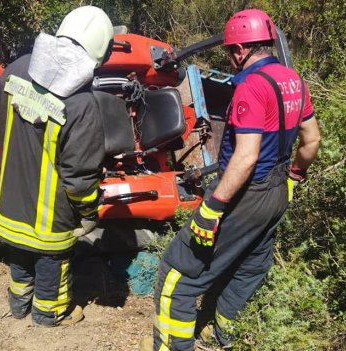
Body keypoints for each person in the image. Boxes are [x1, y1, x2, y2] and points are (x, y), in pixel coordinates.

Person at [140, 8, 321, 350]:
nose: (230, 59)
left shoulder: (251, 86)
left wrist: (212, 206)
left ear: (239, 50)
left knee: (175, 276)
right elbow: (311, 141)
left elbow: (247, 155)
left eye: (229, 52)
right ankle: (224, 335)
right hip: (277, 190)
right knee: (251, 264)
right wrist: (294, 177)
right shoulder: (294, 81)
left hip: (245, 193)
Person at [0, 6, 113, 327]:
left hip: (11, 205)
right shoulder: (82, 103)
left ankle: (18, 304)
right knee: (52, 261)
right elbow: (80, 174)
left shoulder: (16, 68)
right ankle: (48, 313)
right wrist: (88, 212)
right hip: (49, 218)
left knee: (20, 255)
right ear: (101, 50)